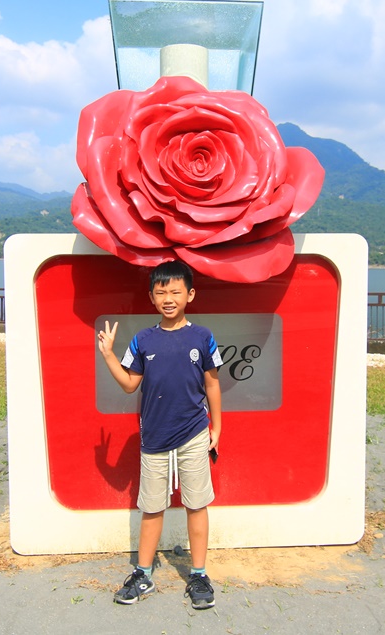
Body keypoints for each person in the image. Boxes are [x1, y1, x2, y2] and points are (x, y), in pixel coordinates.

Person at [97, 260, 223, 609]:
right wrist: (108, 355)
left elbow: (213, 384)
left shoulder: (203, 337)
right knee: (152, 508)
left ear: (190, 294)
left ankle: (198, 575)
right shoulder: (142, 340)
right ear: (151, 298)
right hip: (153, 437)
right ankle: (143, 574)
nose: (168, 298)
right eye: (161, 292)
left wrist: (218, 426)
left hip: (195, 433)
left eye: (175, 291)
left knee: (196, 504)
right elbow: (128, 385)